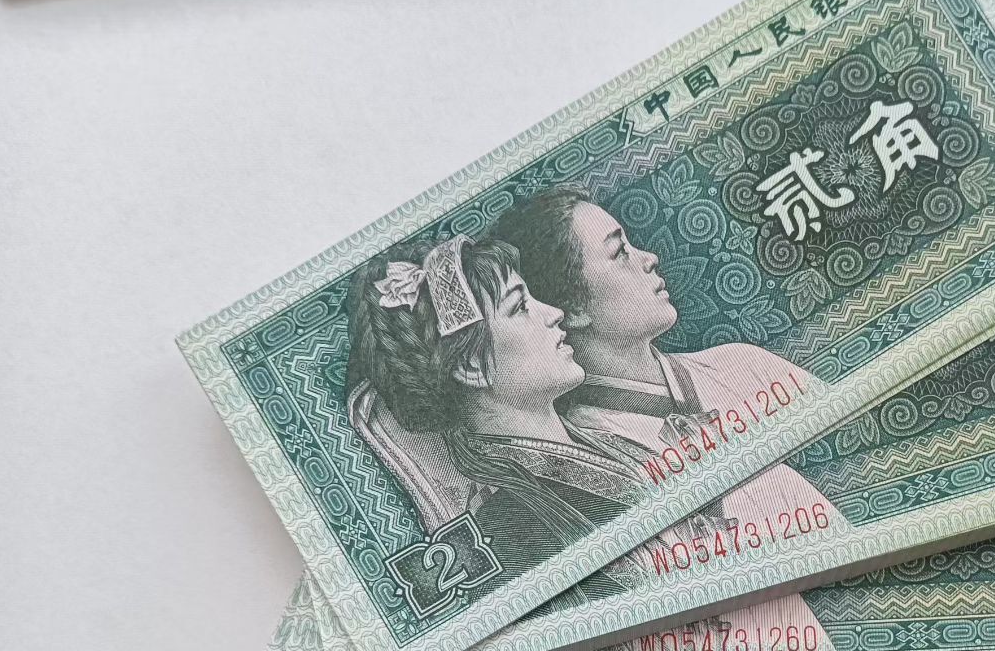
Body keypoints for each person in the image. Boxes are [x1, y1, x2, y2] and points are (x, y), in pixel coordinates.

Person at [491, 186, 848, 581]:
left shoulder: (742, 364)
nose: (649, 259)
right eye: (620, 252)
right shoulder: (595, 467)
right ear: (572, 309)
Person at [345, 233, 650, 592]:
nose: (554, 313)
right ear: (472, 365)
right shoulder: (510, 528)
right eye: (520, 306)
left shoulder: (604, 434)